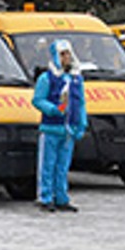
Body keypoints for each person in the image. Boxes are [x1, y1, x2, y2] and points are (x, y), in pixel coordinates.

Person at [31, 38, 89, 212]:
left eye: (68, 54)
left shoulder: (76, 78)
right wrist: (53, 109)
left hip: (69, 130)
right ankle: (45, 197)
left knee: (63, 166)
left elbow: (81, 103)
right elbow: (37, 100)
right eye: (63, 54)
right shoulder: (47, 78)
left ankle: (61, 197)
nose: (66, 58)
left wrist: (82, 123)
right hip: (51, 128)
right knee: (47, 165)